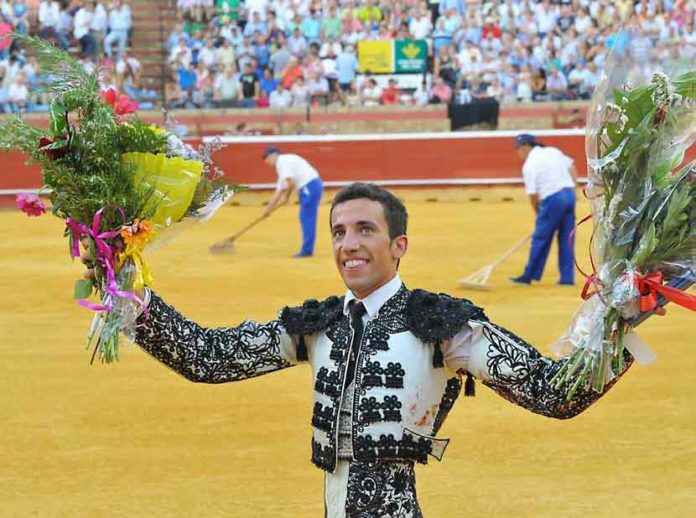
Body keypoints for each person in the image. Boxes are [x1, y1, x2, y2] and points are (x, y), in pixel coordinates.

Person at [114, 182, 647, 517]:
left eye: (365, 229)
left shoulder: (442, 325)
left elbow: (553, 392)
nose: (349, 245)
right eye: (339, 232)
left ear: (399, 246)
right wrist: (123, 286)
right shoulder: (317, 323)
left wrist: (619, 320)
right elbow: (208, 358)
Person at [510, 134, 577, 286]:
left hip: (553, 198)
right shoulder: (552, 151)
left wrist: (539, 215)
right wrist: (572, 189)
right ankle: (567, 278)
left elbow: (533, 196)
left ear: (526, 146)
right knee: (567, 238)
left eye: (518, 148)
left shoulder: (530, 165)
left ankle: (528, 276)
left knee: (540, 238)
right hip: (569, 194)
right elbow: (571, 167)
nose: (518, 152)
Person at [262, 146, 323, 257]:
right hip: (311, 186)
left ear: (273, 155)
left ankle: (307, 250)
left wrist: (286, 197)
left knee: (307, 217)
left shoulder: (281, 162)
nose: (266, 161)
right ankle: (307, 249)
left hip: (308, 187)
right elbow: (279, 191)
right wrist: (268, 210)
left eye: (266, 158)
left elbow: (291, 184)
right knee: (306, 217)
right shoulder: (284, 163)